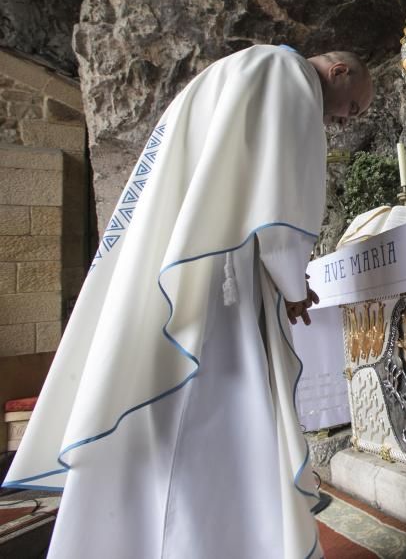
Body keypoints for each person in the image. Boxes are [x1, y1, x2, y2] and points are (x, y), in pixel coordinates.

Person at [2, 44, 373, 559]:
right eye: (352, 106)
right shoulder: (289, 78)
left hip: (180, 264)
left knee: (163, 421)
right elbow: (278, 197)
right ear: (339, 72)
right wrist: (293, 285)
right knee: (214, 421)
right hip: (219, 279)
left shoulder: (232, 70)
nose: (343, 120)